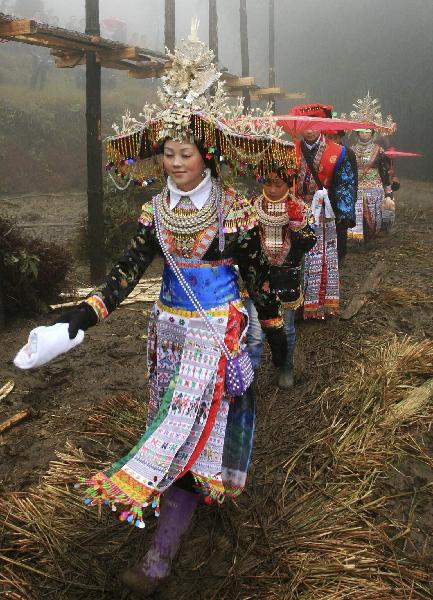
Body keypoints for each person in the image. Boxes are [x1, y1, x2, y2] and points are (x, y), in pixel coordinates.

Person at [17, 24, 290, 598]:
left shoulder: (233, 212)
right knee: (170, 423)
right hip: (164, 333)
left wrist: (276, 338)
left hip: (216, 335)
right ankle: (183, 496)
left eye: (184, 152)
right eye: (166, 153)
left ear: (206, 153)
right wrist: (76, 322)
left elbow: (260, 284)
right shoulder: (155, 212)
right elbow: (123, 275)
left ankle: (160, 557)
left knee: (182, 433)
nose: (173, 162)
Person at [246, 165, 316, 389]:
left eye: (279, 184)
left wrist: (296, 224)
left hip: (287, 277)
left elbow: (308, 243)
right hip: (258, 278)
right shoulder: (250, 207)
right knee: (255, 332)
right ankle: (251, 371)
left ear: (289, 183)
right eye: (268, 183)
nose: (273, 189)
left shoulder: (301, 208)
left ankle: (285, 366)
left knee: (286, 329)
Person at [289, 103, 357, 320]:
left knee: (319, 257)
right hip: (295, 210)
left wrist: (344, 213)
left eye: (314, 123)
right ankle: (293, 303)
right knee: (294, 256)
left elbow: (346, 184)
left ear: (323, 125)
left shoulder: (339, 152)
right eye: (305, 124)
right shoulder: (289, 149)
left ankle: (316, 304)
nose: (309, 129)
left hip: (324, 213)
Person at [344, 93, 397, 242]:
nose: (365, 134)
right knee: (357, 214)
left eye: (368, 131)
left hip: (374, 188)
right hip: (356, 187)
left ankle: (371, 236)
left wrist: (388, 192)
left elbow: (384, 171)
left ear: (372, 132)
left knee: (374, 215)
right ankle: (359, 238)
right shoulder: (351, 150)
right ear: (357, 132)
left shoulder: (379, 150)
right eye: (362, 131)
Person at [326, 129, 358, 260]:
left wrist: (352, 197)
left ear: (340, 137)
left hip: (341, 195)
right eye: (328, 137)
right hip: (325, 194)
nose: (332, 140)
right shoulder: (323, 152)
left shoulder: (348, 153)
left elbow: (353, 178)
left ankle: (340, 254)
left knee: (340, 225)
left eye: (335, 137)